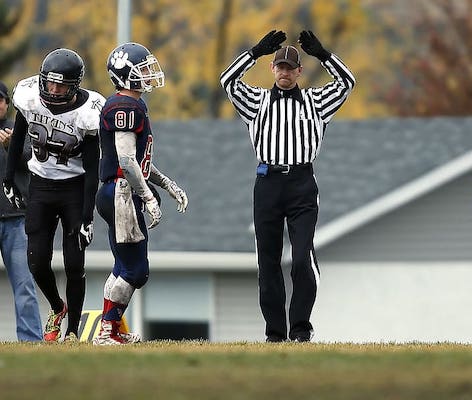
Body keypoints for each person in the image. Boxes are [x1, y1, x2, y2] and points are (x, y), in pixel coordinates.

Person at [220, 30, 355, 342]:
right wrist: (255, 52)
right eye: (279, 67)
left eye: (289, 68)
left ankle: (300, 330)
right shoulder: (257, 101)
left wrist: (323, 54)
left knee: (302, 258)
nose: (283, 72)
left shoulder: (316, 101)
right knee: (267, 262)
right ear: (273, 69)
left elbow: (347, 83)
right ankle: (275, 334)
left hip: (301, 184)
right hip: (267, 183)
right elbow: (228, 81)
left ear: (299, 71)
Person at [3, 49, 104, 343]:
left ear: (75, 85)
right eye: (50, 83)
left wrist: (87, 216)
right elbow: (19, 134)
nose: (54, 90)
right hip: (41, 185)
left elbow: (92, 168)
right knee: (36, 261)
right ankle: (57, 307)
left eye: (61, 85)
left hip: (74, 187)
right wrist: (9, 178)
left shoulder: (88, 112)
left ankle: (72, 331)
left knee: (74, 263)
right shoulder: (29, 96)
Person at [93, 42, 188, 345]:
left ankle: (113, 329)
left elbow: (139, 161)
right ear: (124, 75)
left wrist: (167, 184)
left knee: (123, 266)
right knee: (136, 271)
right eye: (142, 69)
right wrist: (147, 197)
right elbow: (125, 160)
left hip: (117, 190)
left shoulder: (135, 105)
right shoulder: (125, 106)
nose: (149, 74)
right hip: (121, 193)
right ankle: (107, 329)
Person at [0, 81, 43, 341]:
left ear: (7, 103)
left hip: (17, 220)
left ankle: (30, 341)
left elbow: (36, 163)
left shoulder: (20, 130)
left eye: (0, 99)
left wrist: (10, 147)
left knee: (24, 285)